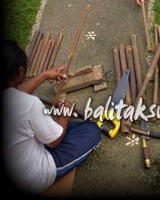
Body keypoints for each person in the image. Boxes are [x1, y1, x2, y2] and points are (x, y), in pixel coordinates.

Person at [2, 39, 101, 195]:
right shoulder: (28, 105)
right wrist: (65, 116)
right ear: (20, 70)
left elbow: (16, 92)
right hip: (30, 177)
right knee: (91, 130)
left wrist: (44, 75)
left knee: (52, 126)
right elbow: (54, 142)